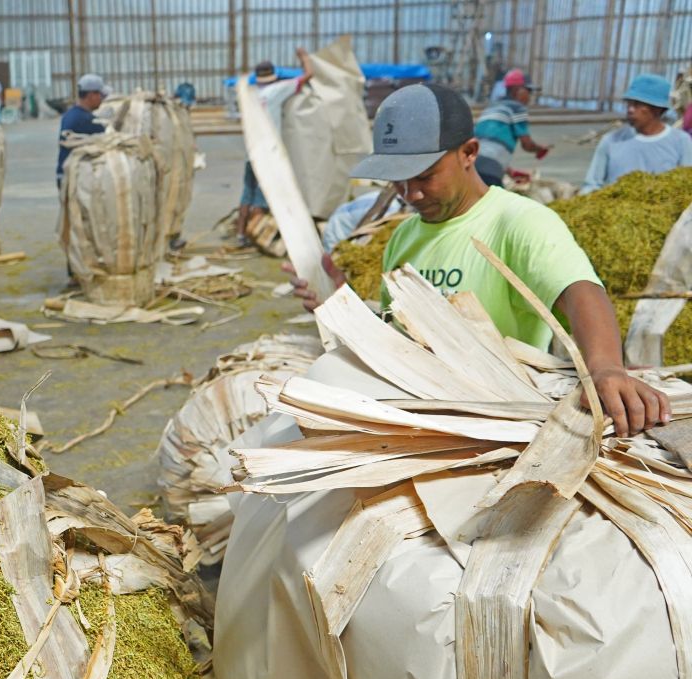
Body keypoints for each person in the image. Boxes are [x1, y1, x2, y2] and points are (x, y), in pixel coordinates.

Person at [287, 83, 669, 436]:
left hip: (494, 419)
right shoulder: (403, 237)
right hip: (418, 412)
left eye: (424, 177)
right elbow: (396, 338)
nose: (411, 194)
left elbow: (579, 289)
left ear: (469, 152)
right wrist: (343, 303)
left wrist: (605, 366)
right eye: (398, 181)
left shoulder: (518, 221)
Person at [237, 50, 313, 245]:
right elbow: (308, 75)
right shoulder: (277, 90)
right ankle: (255, 235)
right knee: (263, 196)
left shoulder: (252, 95)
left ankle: (240, 234)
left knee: (247, 193)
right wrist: (304, 57)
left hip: (250, 152)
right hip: (267, 154)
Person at [582, 73, 692, 193]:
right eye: (629, 103)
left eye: (638, 104)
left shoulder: (681, 141)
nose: (630, 109)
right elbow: (591, 185)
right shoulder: (611, 141)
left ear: (658, 109)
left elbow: (687, 185)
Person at [473, 68, 550, 186]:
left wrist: (509, 171)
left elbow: (487, 147)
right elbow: (527, 144)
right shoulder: (517, 108)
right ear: (516, 90)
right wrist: (540, 149)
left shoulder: (492, 108)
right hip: (490, 169)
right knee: (497, 201)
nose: (529, 96)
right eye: (528, 91)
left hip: (471, 165)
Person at [56, 74, 109, 189]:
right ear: (91, 95)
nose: (102, 99)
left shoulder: (70, 114)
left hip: (64, 174)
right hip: (76, 179)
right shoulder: (86, 121)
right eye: (100, 95)